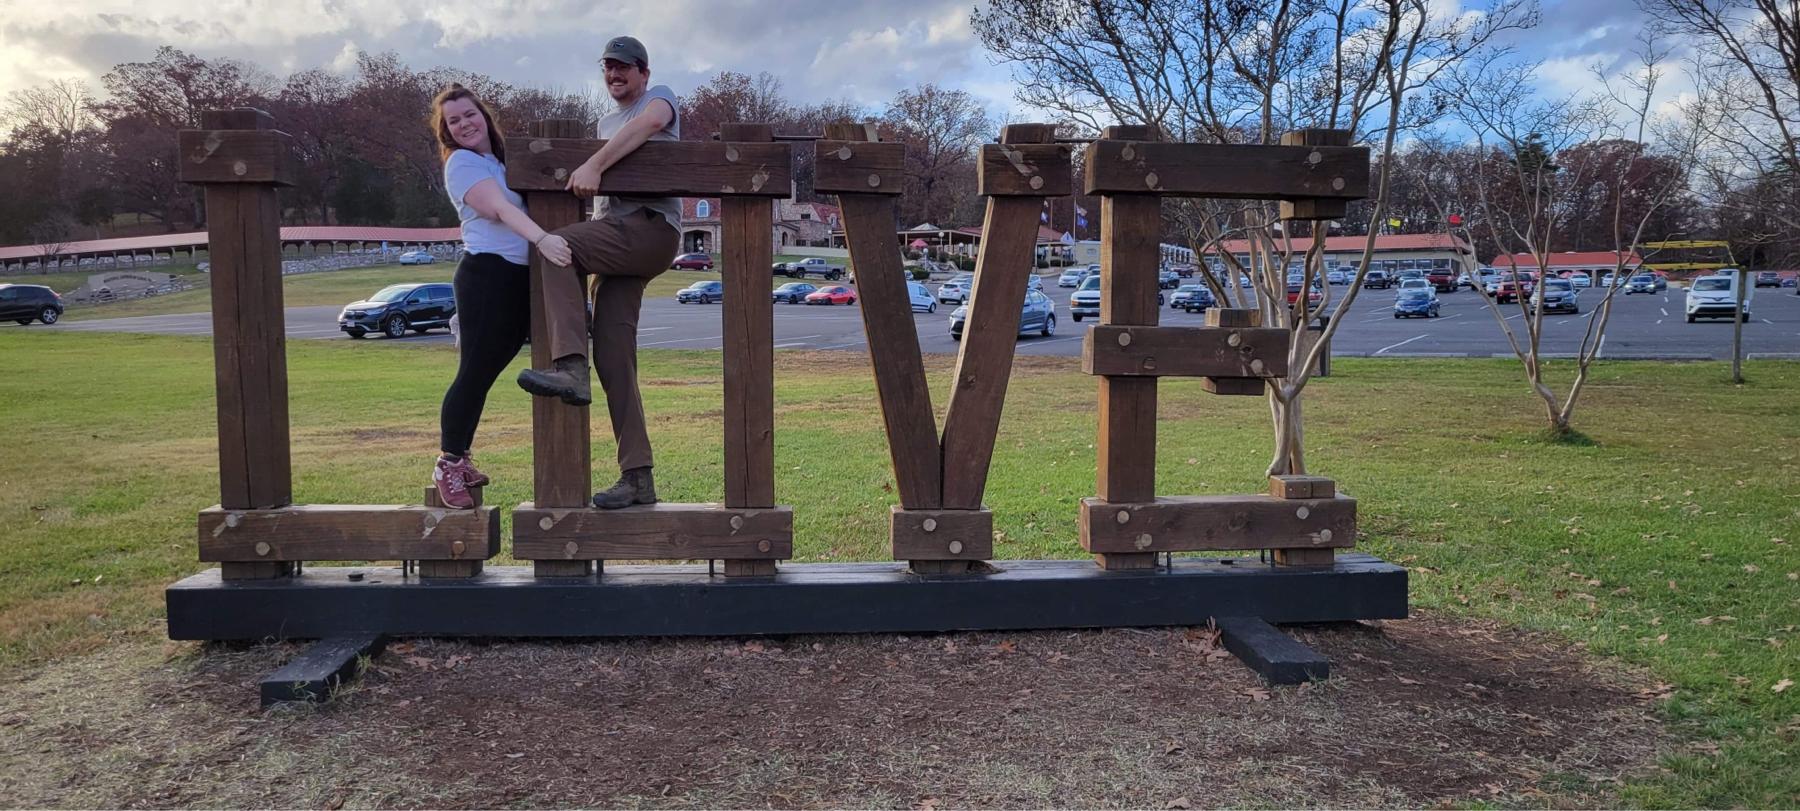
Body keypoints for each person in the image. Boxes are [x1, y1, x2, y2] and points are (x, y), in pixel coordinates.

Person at [515, 35, 682, 510]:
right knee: (613, 357)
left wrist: (592, 162)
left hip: (651, 228)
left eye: (624, 67)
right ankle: (638, 476)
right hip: (619, 241)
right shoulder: (605, 123)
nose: (614, 74)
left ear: (644, 73)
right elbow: (602, 203)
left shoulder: (659, 98)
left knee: (555, 247)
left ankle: (570, 366)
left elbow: (652, 123)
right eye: (608, 67)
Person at [429, 83, 573, 509]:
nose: (464, 124)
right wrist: (543, 239)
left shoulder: (499, 161)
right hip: (486, 276)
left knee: (484, 374)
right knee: (474, 373)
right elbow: (501, 209)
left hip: (515, 279)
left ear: (484, 116)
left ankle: (462, 458)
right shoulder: (462, 164)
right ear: (447, 131)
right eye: (454, 121)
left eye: (469, 115)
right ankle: (448, 462)